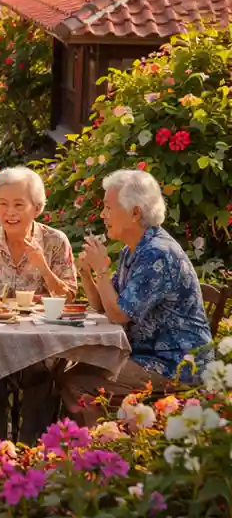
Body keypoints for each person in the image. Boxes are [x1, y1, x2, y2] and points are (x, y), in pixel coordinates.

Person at [61, 169, 212, 425]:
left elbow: (118, 315)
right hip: (147, 356)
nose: (102, 215)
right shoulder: (133, 251)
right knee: (75, 373)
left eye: (109, 208)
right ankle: (104, 439)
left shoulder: (157, 253)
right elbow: (105, 307)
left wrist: (101, 270)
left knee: (77, 382)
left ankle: (102, 444)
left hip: (175, 364)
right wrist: (87, 273)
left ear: (135, 213)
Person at [0, 167, 76, 444]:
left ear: (37, 208)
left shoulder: (55, 241)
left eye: (19, 205)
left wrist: (43, 266)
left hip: (39, 343)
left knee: (46, 373)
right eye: (3, 204)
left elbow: (69, 297)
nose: (9, 212)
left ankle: (32, 450)